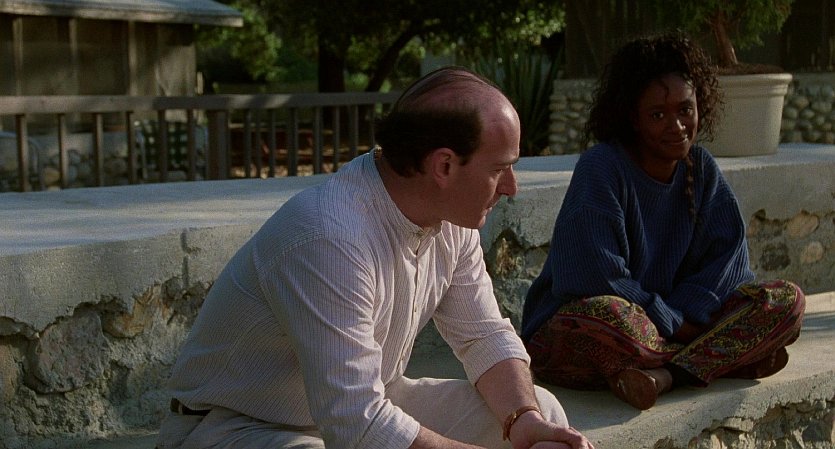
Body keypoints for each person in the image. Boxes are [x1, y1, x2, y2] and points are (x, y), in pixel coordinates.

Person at [156, 67, 593, 449]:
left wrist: (523, 421)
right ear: (444, 166)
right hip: (233, 429)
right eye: (499, 169)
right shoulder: (329, 237)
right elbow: (358, 427)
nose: (512, 187)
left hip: (359, 408)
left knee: (545, 415)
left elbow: (482, 336)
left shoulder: (452, 220)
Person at [520, 33, 806, 411]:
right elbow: (592, 275)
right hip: (592, 328)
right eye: (658, 115)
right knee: (609, 318)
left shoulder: (701, 169)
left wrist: (681, 317)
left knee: (785, 300)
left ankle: (666, 375)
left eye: (685, 109)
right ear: (633, 119)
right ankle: (721, 359)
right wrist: (675, 323)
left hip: (672, 326)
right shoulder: (602, 168)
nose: (677, 126)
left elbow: (728, 264)